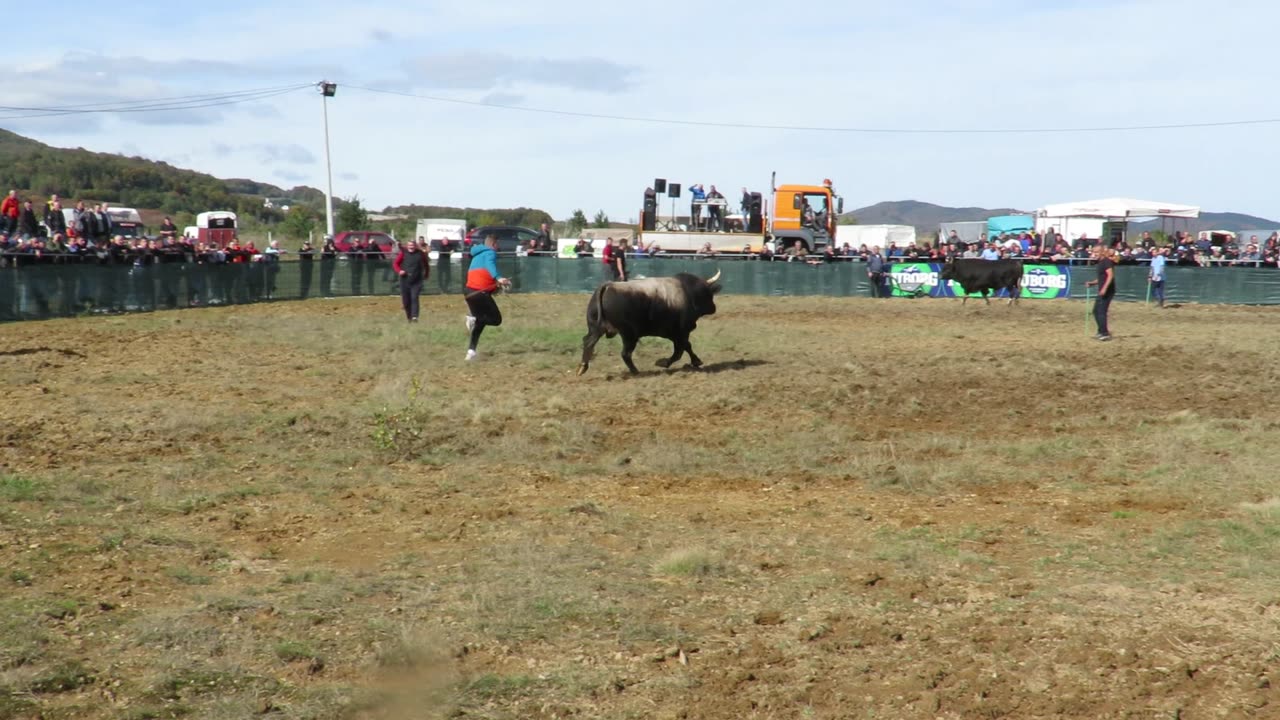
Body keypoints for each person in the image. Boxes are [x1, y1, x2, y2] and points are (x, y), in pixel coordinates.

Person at [463, 234, 511, 360]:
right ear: (493, 244)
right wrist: (498, 278)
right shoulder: (490, 253)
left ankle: (471, 352)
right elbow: (490, 265)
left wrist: (494, 286)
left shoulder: (477, 254)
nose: (497, 247)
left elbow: (481, 274)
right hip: (480, 293)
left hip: (469, 292)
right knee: (496, 320)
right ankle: (473, 318)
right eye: (497, 245)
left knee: (481, 322)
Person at [393, 238, 429, 322]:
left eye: (412, 245)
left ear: (415, 246)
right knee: (406, 301)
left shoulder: (420, 254)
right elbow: (395, 263)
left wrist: (426, 274)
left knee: (414, 297)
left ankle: (415, 317)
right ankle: (409, 317)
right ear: (407, 246)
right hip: (404, 280)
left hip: (417, 280)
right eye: (409, 245)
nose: (411, 247)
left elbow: (426, 265)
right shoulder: (403, 253)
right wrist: (399, 271)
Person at [1085, 245, 1117, 341]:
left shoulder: (1106, 262)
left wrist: (1104, 288)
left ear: (1102, 252)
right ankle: (1101, 331)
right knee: (1096, 311)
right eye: (1093, 252)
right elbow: (1101, 278)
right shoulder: (1100, 263)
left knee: (1101, 311)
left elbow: (1110, 276)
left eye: (1096, 252)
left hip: (1107, 290)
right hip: (1102, 289)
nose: (1094, 254)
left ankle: (1105, 333)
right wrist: (1092, 283)